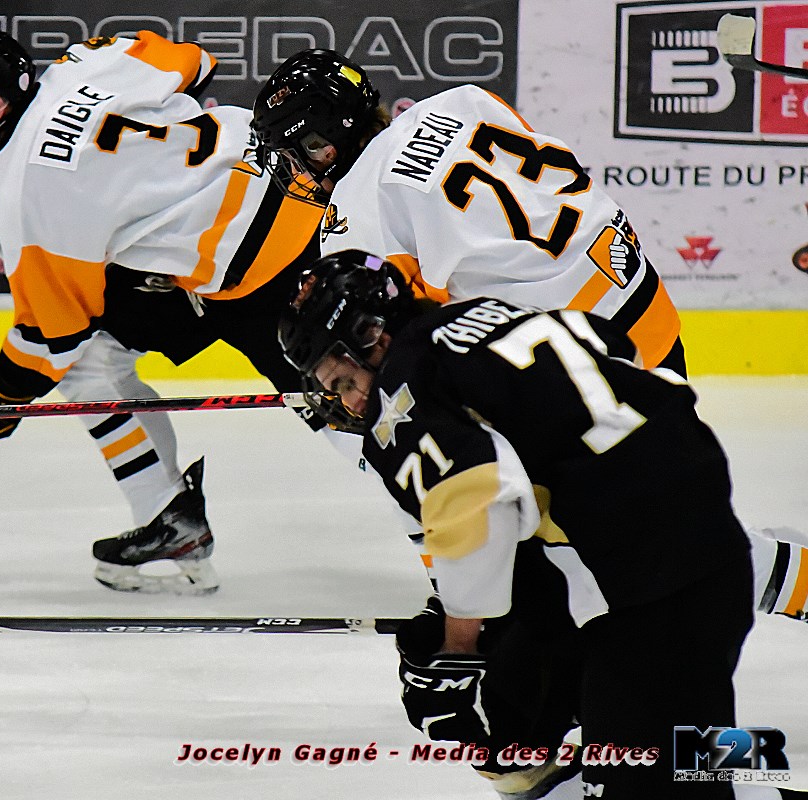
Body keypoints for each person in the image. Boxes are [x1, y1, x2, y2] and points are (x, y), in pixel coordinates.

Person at [250, 49, 808, 624]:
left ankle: (790, 579)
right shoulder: (462, 100)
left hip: (577, 359)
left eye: (297, 153)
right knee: (642, 515)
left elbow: (393, 335)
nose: (298, 169)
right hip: (641, 306)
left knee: (620, 542)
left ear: (322, 140)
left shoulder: (356, 206)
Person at [277, 248, 805, 799]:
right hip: (696, 543)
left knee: (656, 772)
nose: (351, 401)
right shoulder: (485, 315)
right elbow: (615, 348)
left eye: (341, 380)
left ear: (371, 336)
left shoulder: (402, 392)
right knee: (672, 747)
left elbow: (476, 501)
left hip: (654, 588)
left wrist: (459, 651)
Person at [0, 29, 329, 594]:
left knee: (350, 409)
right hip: (279, 204)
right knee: (95, 354)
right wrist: (152, 174)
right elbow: (196, 63)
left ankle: (460, 564)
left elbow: (50, 337)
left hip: (266, 270)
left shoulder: (23, 195)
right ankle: (168, 515)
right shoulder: (88, 62)